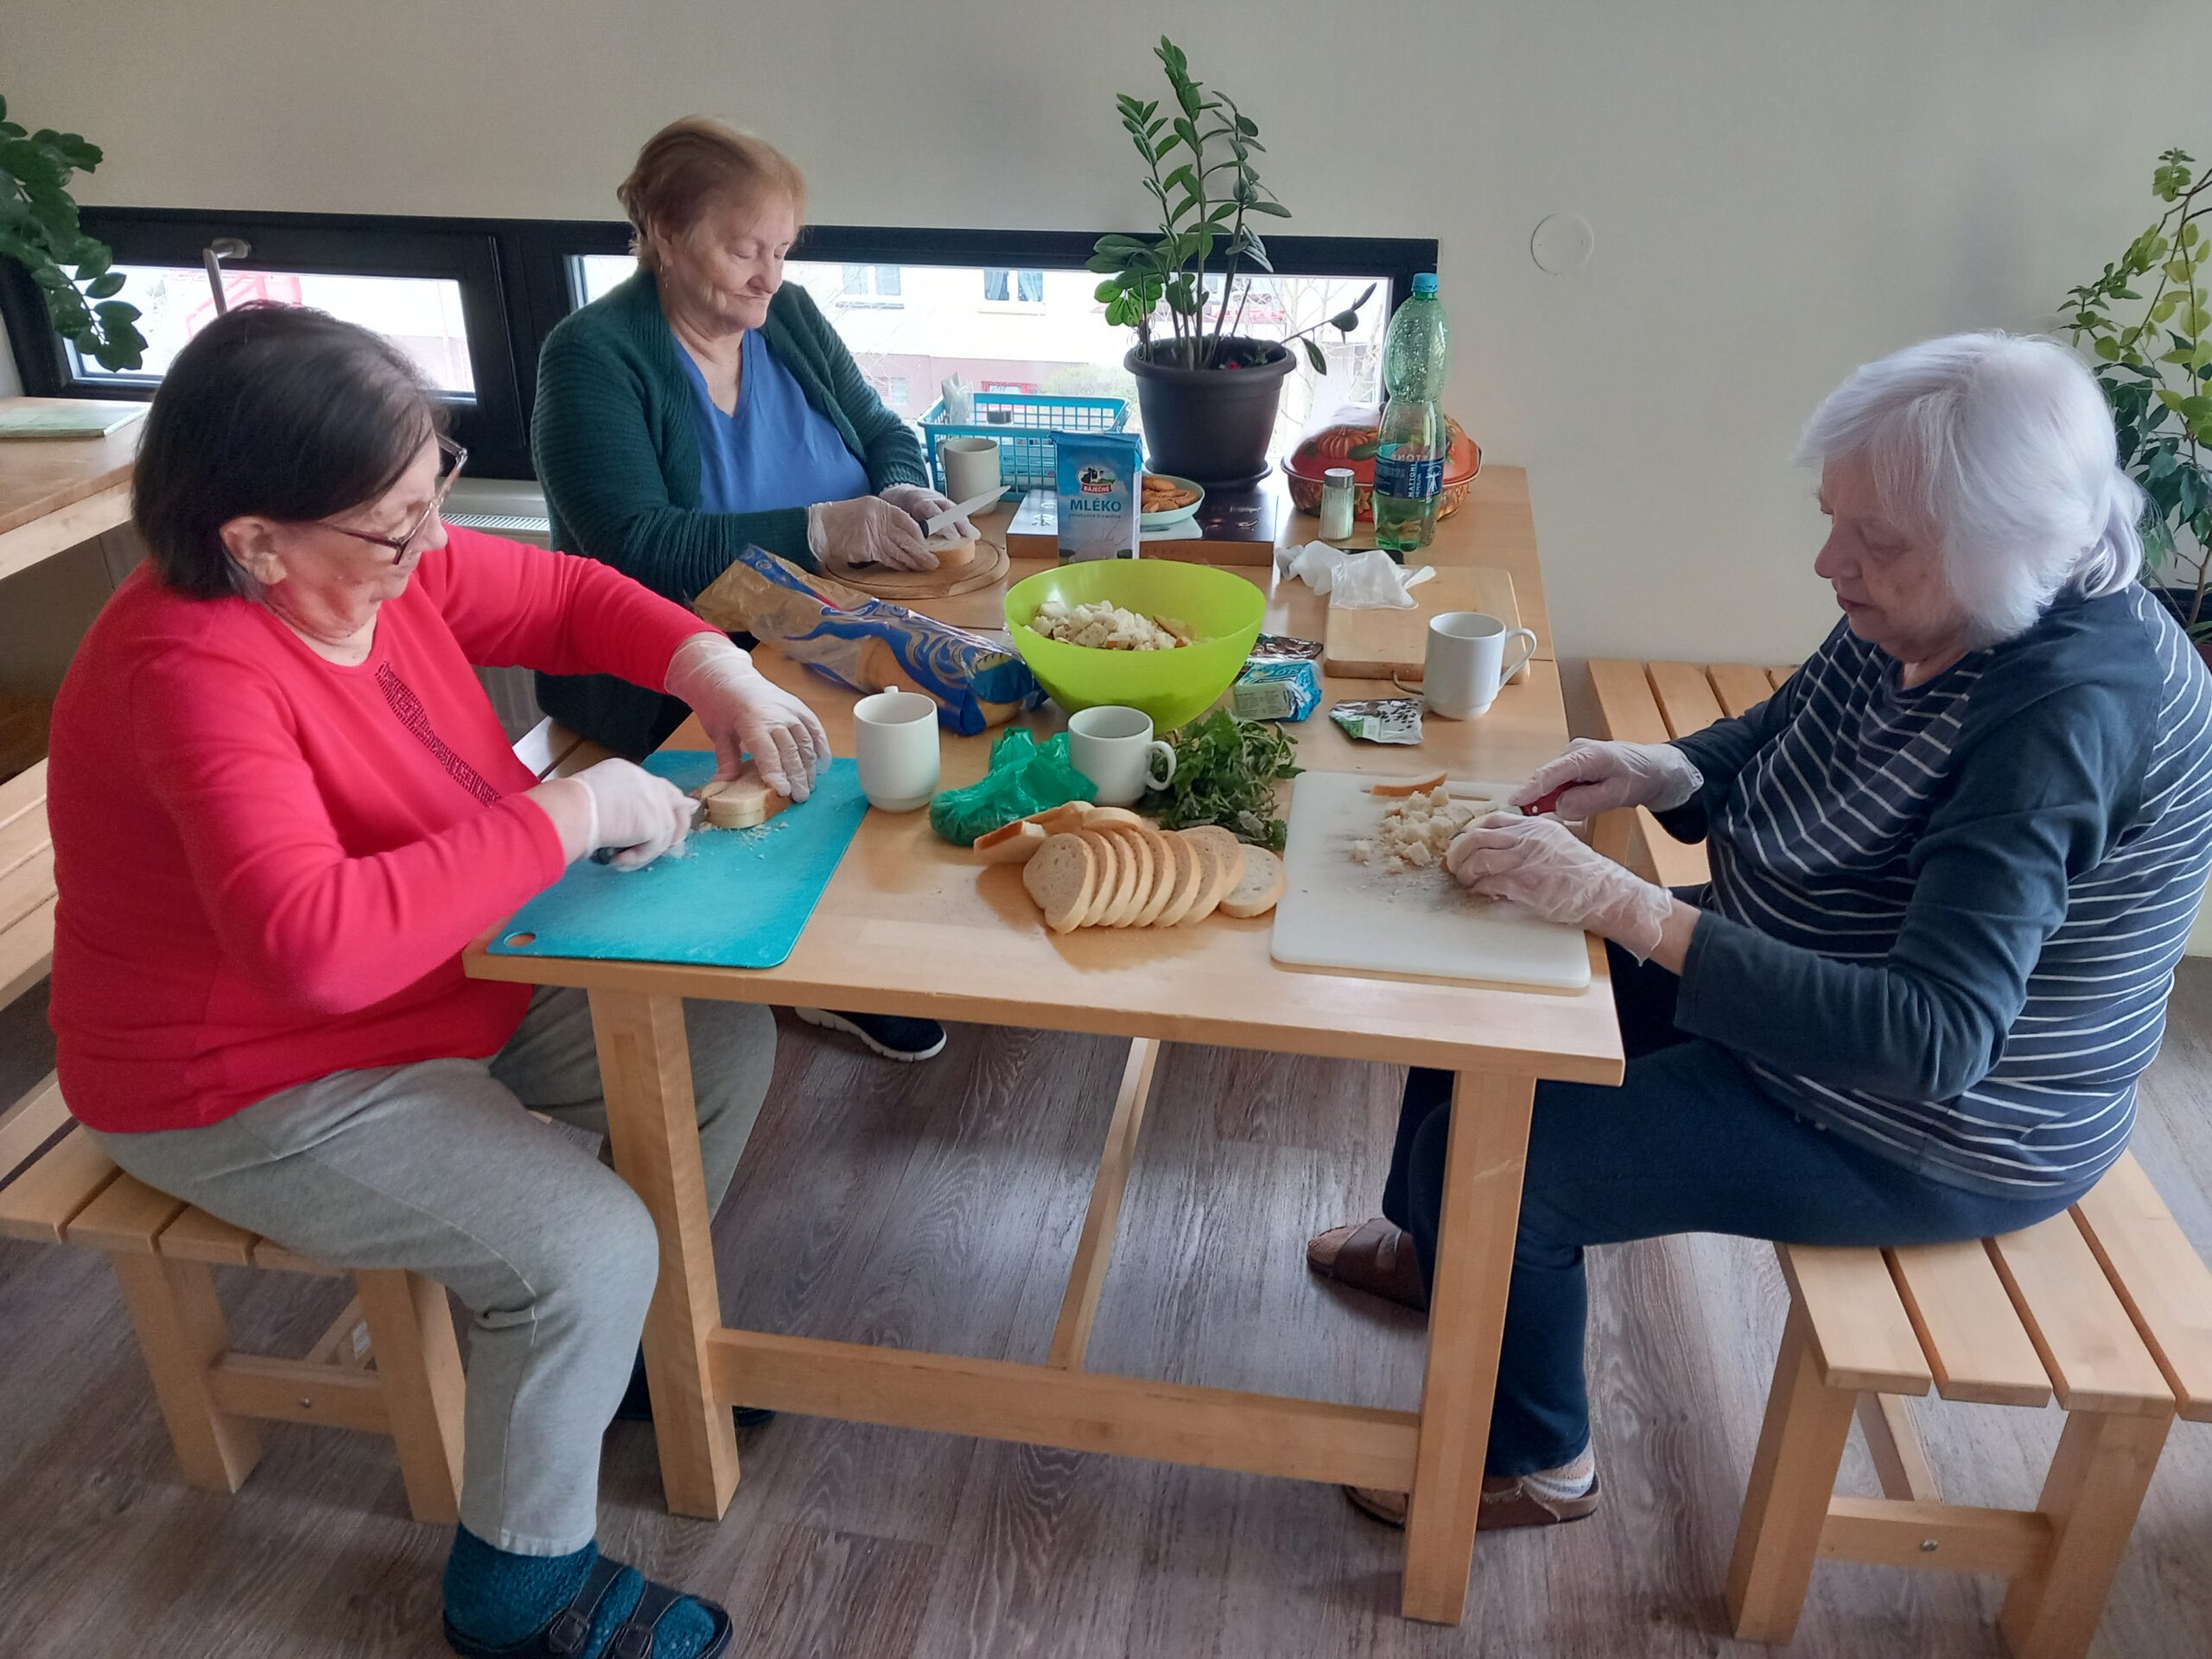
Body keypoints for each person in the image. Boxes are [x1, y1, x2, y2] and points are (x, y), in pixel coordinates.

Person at [1306, 332, 2212, 1530]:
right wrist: (1659, 770)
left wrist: (1624, 905)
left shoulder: (2064, 717)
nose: (1830, 561)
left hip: (1929, 1121)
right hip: (1814, 972)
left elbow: (1931, 1039)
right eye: (1834, 519)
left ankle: (1534, 1461)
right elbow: (1792, 727)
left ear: (1996, 543)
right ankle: (1442, 1251)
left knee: (1504, 1169)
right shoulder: (1945, 598)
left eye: (1873, 540)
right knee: (1482, 968)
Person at [48, 304, 831, 1659]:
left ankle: (611, 1360)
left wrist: (714, 669)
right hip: (240, 1076)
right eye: (396, 521)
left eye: (435, 490)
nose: (429, 539)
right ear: (255, 541)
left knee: (715, 1050)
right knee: (584, 1250)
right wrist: (570, 814)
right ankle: (517, 1595)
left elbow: (568, 595)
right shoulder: (191, 670)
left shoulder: (368, 562)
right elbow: (310, 946)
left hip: (430, 975)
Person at [532, 116, 966, 1065]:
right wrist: (820, 527)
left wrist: (898, 488)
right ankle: (830, 968)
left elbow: (883, 430)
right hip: (674, 671)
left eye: (782, 249)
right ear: (663, 232)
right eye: (744, 250)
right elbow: (635, 545)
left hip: (823, 626)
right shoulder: (591, 356)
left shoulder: (791, 317)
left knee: (951, 727)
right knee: (875, 748)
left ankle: (881, 940)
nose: (770, 276)